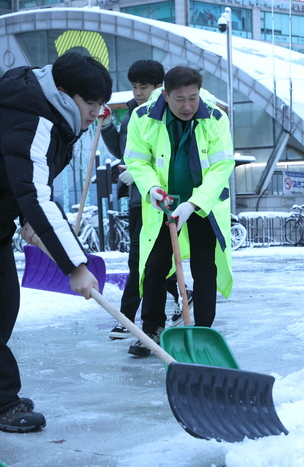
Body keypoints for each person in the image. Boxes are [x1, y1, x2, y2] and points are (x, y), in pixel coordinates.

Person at [0, 52, 112, 432]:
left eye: (101, 104)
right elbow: (35, 192)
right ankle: (2, 402)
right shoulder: (33, 117)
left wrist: (24, 219)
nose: (97, 112)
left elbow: (22, 184)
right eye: (92, 103)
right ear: (65, 93)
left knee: (3, 306)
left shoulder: (43, 109)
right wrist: (75, 267)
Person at [123, 66, 234, 357]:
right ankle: (152, 329)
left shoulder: (215, 118)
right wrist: (151, 190)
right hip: (164, 204)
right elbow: (137, 161)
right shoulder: (142, 118)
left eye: (193, 98)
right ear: (165, 95)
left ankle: (204, 330)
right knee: (155, 265)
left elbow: (222, 166)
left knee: (204, 266)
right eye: (179, 99)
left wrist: (193, 204)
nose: (187, 106)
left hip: (202, 205)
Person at [101, 60, 192, 340]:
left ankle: (129, 318)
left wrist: (143, 176)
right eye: (134, 87)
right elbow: (123, 150)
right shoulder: (133, 114)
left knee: (143, 261)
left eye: (144, 87)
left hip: (157, 200)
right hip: (138, 199)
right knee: (148, 262)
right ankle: (181, 294)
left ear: (160, 89)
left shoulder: (162, 114)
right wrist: (106, 126)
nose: (138, 92)